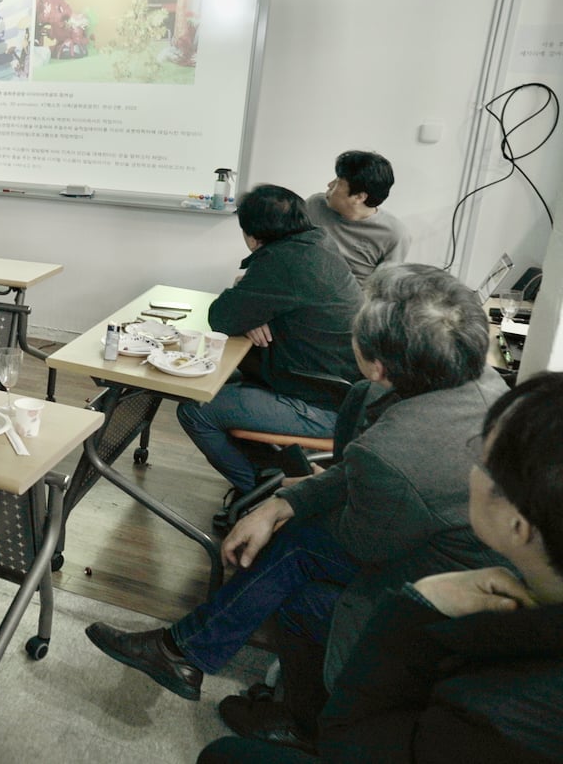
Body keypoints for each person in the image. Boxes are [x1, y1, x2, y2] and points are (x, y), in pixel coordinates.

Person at [88, 264, 507, 753]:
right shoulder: (482, 380)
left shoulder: (393, 451)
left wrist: (276, 510)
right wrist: (280, 503)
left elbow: (357, 538)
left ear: (377, 365)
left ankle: (298, 721)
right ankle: (184, 651)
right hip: (460, 549)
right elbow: (356, 475)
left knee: (300, 566)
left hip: (452, 592)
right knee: (288, 533)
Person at [198, 373, 563, 764]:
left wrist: (415, 607)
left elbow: (351, 744)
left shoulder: (496, 711)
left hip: (364, 731)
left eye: (480, 456)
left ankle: (297, 721)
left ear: (519, 524)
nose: (468, 462)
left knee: (220, 757)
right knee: (304, 563)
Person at [177, 185, 363, 493]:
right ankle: (272, 472)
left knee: (196, 410)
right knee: (217, 377)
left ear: (252, 235)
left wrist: (250, 308)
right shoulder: (316, 243)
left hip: (324, 406)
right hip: (339, 391)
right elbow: (249, 307)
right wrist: (255, 311)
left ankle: (262, 492)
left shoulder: (282, 263)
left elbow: (221, 317)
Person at [306, 150, 409, 285]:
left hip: (350, 301)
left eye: (338, 182)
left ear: (359, 197)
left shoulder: (394, 233)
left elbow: (385, 286)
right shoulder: (315, 205)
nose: (329, 184)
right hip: (305, 288)